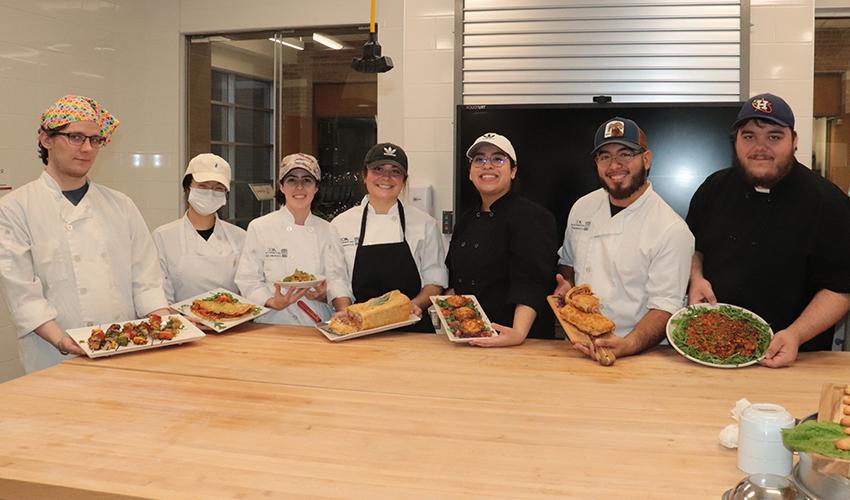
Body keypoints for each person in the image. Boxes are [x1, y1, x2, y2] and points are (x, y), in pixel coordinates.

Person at [0, 95, 170, 373]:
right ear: (46, 139)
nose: (87, 148)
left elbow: (146, 280)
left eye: (95, 140)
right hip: (53, 358)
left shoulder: (121, 205)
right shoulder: (15, 209)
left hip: (125, 350)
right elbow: (23, 295)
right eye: (76, 137)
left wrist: (165, 325)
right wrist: (63, 341)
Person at [687, 93, 850, 367]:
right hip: (711, 351)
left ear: (794, 141)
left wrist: (796, 335)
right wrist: (696, 276)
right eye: (749, 136)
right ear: (735, 141)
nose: (760, 147)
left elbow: (841, 288)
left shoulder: (829, 203)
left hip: (793, 357)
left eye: (774, 137)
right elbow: (694, 247)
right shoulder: (713, 189)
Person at [555, 118, 694, 361]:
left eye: (626, 153)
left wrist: (627, 345)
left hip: (639, 354)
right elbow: (568, 262)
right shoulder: (582, 207)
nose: (614, 165)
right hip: (578, 347)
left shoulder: (671, 229)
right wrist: (566, 284)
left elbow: (665, 307)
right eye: (604, 156)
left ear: (646, 159)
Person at [446, 133, 558, 346]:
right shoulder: (466, 220)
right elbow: (455, 280)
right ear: (470, 172)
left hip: (515, 339)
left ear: (513, 171)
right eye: (479, 160)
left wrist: (517, 333)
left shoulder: (534, 217)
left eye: (498, 159)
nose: (487, 166)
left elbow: (533, 281)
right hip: (468, 335)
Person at [330, 143, 447, 331]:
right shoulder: (340, 224)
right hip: (361, 327)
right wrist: (346, 311)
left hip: (412, 326)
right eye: (378, 170)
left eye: (395, 171)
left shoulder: (425, 224)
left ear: (404, 180)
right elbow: (337, 279)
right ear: (364, 175)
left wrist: (415, 305)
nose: (386, 178)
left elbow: (435, 279)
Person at [235, 153, 351, 325]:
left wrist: (325, 295)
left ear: (316, 187)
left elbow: (338, 279)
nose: (299, 187)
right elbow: (248, 279)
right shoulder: (260, 227)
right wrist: (271, 301)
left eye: (307, 180)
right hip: (272, 324)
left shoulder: (328, 230)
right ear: (281, 186)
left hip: (317, 324)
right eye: (291, 180)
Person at [152, 153, 246, 304]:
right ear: (187, 188)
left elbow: (247, 287)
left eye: (218, 188)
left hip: (232, 322)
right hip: (183, 323)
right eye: (203, 186)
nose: (210, 193)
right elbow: (160, 291)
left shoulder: (240, 237)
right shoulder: (163, 236)